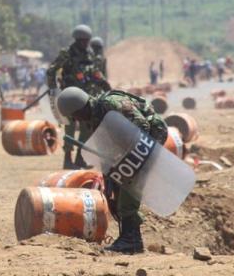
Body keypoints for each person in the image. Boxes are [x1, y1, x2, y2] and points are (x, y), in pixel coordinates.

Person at [57, 86, 168, 254]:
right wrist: (109, 179)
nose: (77, 121)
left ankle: (131, 240)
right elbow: (105, 151)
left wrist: (129, 158)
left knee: (129, 184)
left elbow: (142, 126)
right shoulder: (94, 119)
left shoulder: (110, 105)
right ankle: (130, 237)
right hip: (130, 144)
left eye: (75, 116)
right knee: (117, 190)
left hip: (152, 135)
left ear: (81, 108)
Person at [46, 24, 110, 170]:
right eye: (83, 40)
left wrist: (105, 84)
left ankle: (80, 159)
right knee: (69, 129)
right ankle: (67, 159)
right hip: (69, 99)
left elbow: (94, 72)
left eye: (87, 40)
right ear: (77, 40)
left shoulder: (90, 54)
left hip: (85, 99)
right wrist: (53, 89)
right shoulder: (67, 53)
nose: (85, 43)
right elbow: (51, 71)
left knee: (86, 129)